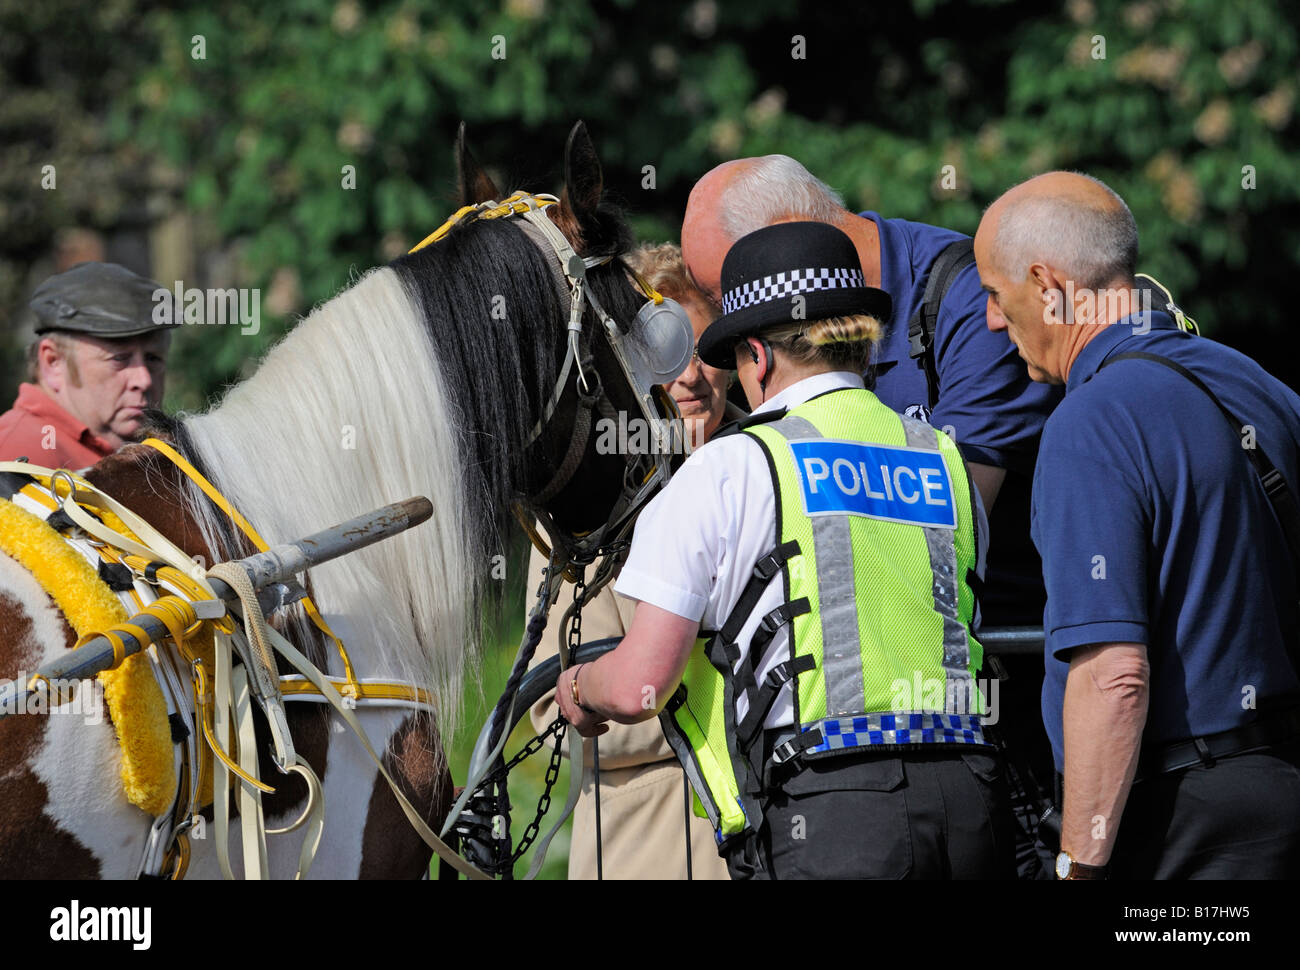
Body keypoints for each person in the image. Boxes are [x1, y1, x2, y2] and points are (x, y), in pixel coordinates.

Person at [556, 222, 1016, 880]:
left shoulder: (728, 469)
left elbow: (640, 686)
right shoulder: (945, 463)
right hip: (974, 804)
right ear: (862, 344)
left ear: (758, 356)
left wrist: (579, 685)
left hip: (832, 814)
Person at [975, 170, 1300, 879]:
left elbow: (1114, 676)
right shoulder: (1260, 385)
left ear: (1048, 285)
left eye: (996, 295)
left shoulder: (1091, 423)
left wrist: (1080, 862)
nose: (994, 322)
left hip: (1182, 820)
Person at [528, 243, 739, 879]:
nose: (692, 377)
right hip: (648, 852)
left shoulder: (776, 464)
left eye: (704, 350)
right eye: (665, 356)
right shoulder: (582, 505)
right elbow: (553, 712)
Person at [0, 262, 175, 468]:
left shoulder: (155, 450)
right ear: (53, 362)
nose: (143, 380)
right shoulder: (19, 456)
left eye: (153, 358)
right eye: (119, 358)